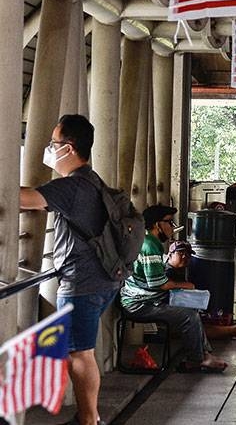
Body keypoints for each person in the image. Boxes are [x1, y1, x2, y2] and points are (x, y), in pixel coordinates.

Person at [19, 115, 121, 425]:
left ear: (69, 148)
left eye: (53, 144)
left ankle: (89, 419)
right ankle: (86, 416)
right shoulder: (91, 182)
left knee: (80, 354)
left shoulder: (72, 187)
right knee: (77, 350)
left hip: (81, 283)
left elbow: (26, 199)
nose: (49, 149)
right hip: (102, 279)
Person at [119, 205, 228, 373]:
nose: (172, 227)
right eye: (169, 222)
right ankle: (196, 360)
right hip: (139, 304)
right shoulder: (148, 245)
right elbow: (158, 284)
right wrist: (185, 286)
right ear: (157, 225)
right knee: (188, 316)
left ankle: (204, 354)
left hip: (149, 299)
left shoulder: (150, 242)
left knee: (192, 308)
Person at [164, 241, 236, 340]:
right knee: (195, 325)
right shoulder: (168, 272)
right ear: (170, 255)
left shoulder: (179, 271)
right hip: (169, 314)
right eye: (181, 253)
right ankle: (234, 330)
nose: (184, 257)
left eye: (187, 254)